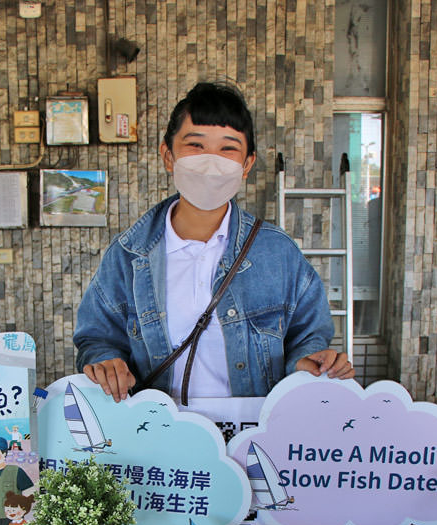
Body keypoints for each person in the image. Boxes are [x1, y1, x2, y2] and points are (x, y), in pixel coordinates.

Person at [74, 82, 354, 404]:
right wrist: (105, 361)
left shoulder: (278, 254)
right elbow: (97, 338)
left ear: (247, 164)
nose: (210, 162)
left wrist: (310, 361)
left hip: (251, 429)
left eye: (228, 149)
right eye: (195, 145)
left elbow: (308, 337)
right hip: (159, 429)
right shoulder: (128, 254)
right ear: (168, 156)